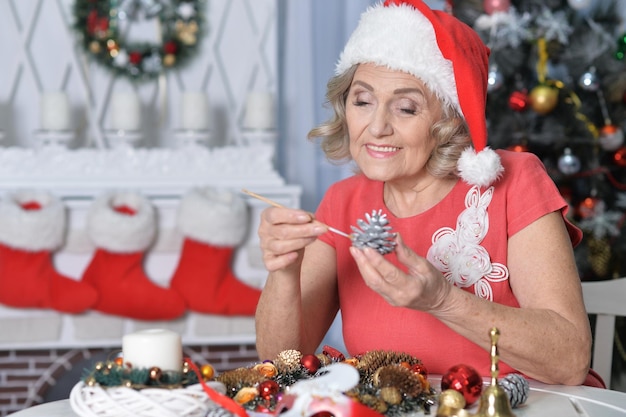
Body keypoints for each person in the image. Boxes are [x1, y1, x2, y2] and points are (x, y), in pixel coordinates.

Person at [255, 0, 596, 386]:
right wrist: (283, 271)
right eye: (362, 101)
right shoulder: (342, 200)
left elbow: (569, 360)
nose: (377, 126)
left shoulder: (513, 180)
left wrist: (443, 300)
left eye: (406, 108)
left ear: (448, 121)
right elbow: (281, 366)